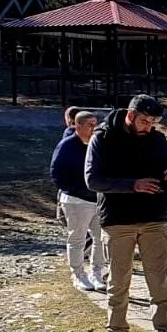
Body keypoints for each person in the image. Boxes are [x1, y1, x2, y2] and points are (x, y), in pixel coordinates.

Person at [84, 94, 167, 332]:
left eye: (153, 122)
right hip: (118, 220)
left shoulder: (157, 139)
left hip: (154, 217)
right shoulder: (103, 138)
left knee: (159, 280)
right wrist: (133, 185)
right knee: (118, 281)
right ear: (130, 115)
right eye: (144, 121)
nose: (149, 126)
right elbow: (93, 180)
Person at [50, 110, 106, 292]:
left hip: (97, 199)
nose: (93, 128)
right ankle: (78, 274)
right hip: (76, 200)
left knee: (101, 238)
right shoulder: (67, 145)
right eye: (89, 124)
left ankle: (96, 273)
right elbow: (56, 173)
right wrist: (76, 189)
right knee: (77, 238)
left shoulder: (97, 144)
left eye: (95, 124)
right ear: (78, 125)